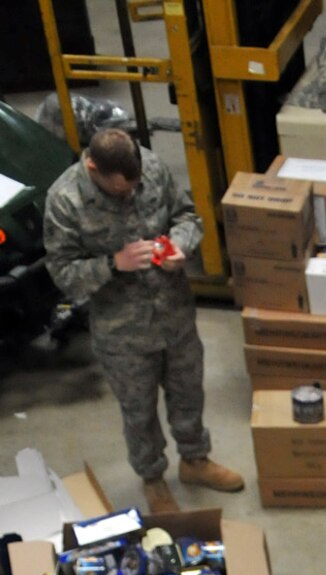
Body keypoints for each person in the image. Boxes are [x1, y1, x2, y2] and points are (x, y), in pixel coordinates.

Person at [44, 128, 244, 512]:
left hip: (175, 312)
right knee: (139, 411)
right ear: (93, 168)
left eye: (134, 186)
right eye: (120, 190)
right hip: (123, 331)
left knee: (188, 391)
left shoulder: (149, 167)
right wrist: (112, 264)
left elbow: (187, 216)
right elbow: (62, 273)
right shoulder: (65, 201)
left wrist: (180, 246)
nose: (130, 194)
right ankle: (152, 480)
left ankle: (195, 460)